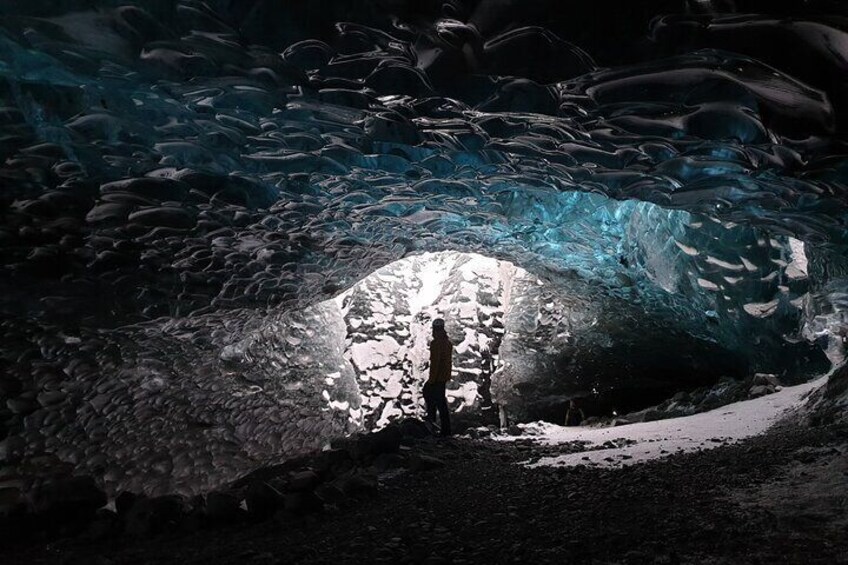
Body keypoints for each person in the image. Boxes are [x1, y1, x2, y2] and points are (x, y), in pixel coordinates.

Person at [423, 318, 452, 436]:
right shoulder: (447, 342)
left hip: (437, 378)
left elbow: (435, 363)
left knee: (431, 398)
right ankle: (445, 429)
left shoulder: (436, 344)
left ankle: (432, 425)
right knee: (441, 403)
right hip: (443, 377)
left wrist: (431, 380)